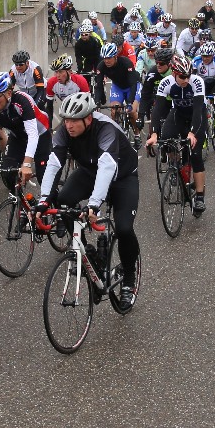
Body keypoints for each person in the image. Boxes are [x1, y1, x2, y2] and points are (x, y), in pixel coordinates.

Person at [37, 92, 142, 310]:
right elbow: (54, 162)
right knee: (63, 201)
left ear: (88, 118)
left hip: (122, 177)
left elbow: (107, 166)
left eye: (74, 120)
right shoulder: (65, 131)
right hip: (89, 172)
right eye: (66, 120)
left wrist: (94, 204)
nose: (69, 125)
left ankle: (129, 277)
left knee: (124, 228)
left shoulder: (106, 129)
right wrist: (44, 199)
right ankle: (87, 253)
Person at [145, 54, 210, 215]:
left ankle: (200, 196)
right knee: (166, 140)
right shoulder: (166, 83)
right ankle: (175, 166)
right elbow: (158, 109)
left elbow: (197, 110)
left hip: (196, 116)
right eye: (182, 77)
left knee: (195, 154)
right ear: (174, 73)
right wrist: (154, 134)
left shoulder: (197, 81)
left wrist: (192, 133)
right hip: (178, 114)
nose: (186, 80)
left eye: (188, 75)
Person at [0, 71, 51, 198]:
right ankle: (19, 200)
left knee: (43, 177)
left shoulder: (22, 101)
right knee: (7, 171)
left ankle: (52, 203)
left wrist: (26, 164)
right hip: (18, 136)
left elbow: (33, 135)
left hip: (40, 134)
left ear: (9, 93)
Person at [91, 42, 141, 130]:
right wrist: (97, 101)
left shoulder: (126, 63)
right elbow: (99, 85)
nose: (106, 61)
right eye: (104, 58)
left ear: (115, 56)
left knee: (132, 111)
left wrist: (130, 102)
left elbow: (133, 84)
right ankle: (116, 132)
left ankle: (137, 134)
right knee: (114, 111)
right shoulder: (101, 66)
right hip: (118, 87)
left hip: (132, 86)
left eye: (109, 58)